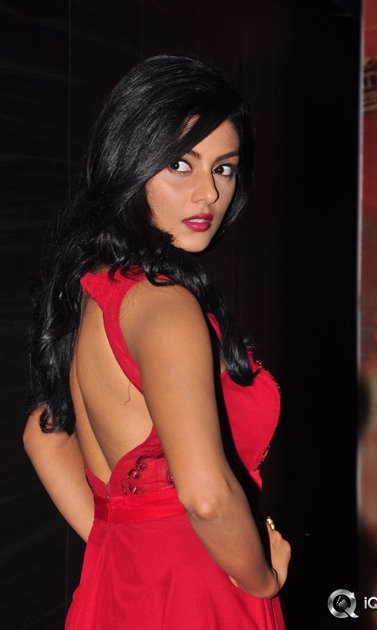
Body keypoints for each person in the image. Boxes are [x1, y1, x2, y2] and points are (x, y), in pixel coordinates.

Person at [23, 54, 291, 629]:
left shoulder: (95, 288)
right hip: (202, 593)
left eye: (224, 168)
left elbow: (44, 434)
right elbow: (206, 497)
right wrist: (262, 578)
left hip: (123, 585)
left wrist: (123, 541)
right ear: (131, 161)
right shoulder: (165, 306)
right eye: (180, 164)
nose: (208, 193)